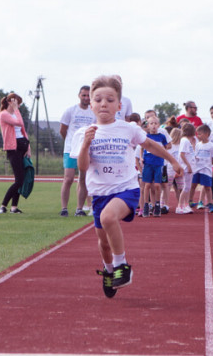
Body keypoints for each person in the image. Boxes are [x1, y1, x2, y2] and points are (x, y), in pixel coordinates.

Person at [70, 75, 182, 297]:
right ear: (90, 104)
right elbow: (82, 167)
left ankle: (122, 266)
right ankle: (110, 270)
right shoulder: (84, 133)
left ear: (119, 106)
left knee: (109, 218)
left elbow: (150, 144)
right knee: (103, 243)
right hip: (99, 193)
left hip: (126, 188)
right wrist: (85, 145)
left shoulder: (128, 128)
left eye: (110, 100)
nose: (104, 104)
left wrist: (173, 160)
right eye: (98, 99)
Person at [59, 85, 95, 217]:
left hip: (85, 150)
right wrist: (71, 142)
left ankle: (79, 208)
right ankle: (64, 208)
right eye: (83, 95)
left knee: (83, 179)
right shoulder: (70, 111)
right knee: (68, 179)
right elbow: (63, 130)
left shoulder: (93, 112)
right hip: (70, 149)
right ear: (79, 95)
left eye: (88, 95)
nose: (86, 98)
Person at [0, 93, 30, 214]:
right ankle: (3, 205)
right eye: (17, 103)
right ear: (10, 102)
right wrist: (16, 109)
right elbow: (19, 123)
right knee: (19, 180)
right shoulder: (4, 114)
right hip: (13, 148)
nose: (18, 106)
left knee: (19, 179)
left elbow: (23, 131)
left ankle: (14, 207)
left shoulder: (15, 113)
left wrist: (28, 147)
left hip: (22, 146)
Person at [141, 116, 168, 217]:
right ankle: (146, 206)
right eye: (151, 123)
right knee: (147, 185)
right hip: (148, 163)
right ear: (148, 125)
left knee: (157, 185)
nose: (153, 125)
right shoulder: (145, 136)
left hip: (158, 163)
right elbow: (141, 148)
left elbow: (165, 149)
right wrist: (141, 158)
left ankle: (157, 205)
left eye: (155, 123)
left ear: (159, 125)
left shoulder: (161, 137)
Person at [189, 124, 213, 212]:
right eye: (197, 134)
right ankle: (190, 201)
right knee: (193, 185)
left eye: (200, 134)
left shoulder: (211, 146)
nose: (198, 136)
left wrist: (209, 164)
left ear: (206, 134)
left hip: (206, 170)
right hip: (197, 169)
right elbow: (195, 154)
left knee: (207, 187)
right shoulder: (198, 145)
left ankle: (210, 204)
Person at [176, 122, 197, 214]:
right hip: (186, 167)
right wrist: (188, 166)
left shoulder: (187, 141)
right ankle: (180, 206)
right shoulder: (184, 141)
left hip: (189, 166)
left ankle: (185, 205)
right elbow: (182, 154)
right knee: (186, 187)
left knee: (187, 187)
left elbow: (190, 154)